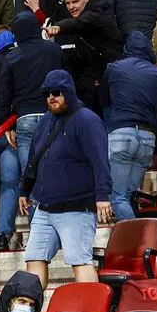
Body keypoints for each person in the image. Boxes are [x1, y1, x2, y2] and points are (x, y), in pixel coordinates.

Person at [19, 69, 111, 290]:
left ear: (68, 92)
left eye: (57, 92)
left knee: (80, 261)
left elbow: (100, 160)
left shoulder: (87, 120)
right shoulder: (44, 122)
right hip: (44, 206)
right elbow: (34, 158)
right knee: (34, 258)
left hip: (77, 206)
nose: (52, 97)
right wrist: (24, 190)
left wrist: (103, 195)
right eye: (47, 93)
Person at [0, 12, 63, 252]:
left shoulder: (11, 57)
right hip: (52, 118)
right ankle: (56, 233)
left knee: (31, 179)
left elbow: (3, 95)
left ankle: (38, 237)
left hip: (23, 120)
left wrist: (7, 124)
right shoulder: (53, 51)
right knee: (55, 174)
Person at [101, 32, 157, 221]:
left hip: (120, 135)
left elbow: (102, 100)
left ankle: (134, 234)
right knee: (129, 196)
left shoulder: (114, 68)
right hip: (147, 138)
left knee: (117, 197)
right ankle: (137, 236)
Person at [45, 0, 125, 111]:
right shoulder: (85, 16)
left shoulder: (95, 13)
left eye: (75, 1)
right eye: (68, 3)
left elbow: (78, 23)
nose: (71, 7)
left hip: (112, 78)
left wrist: (59, 27)